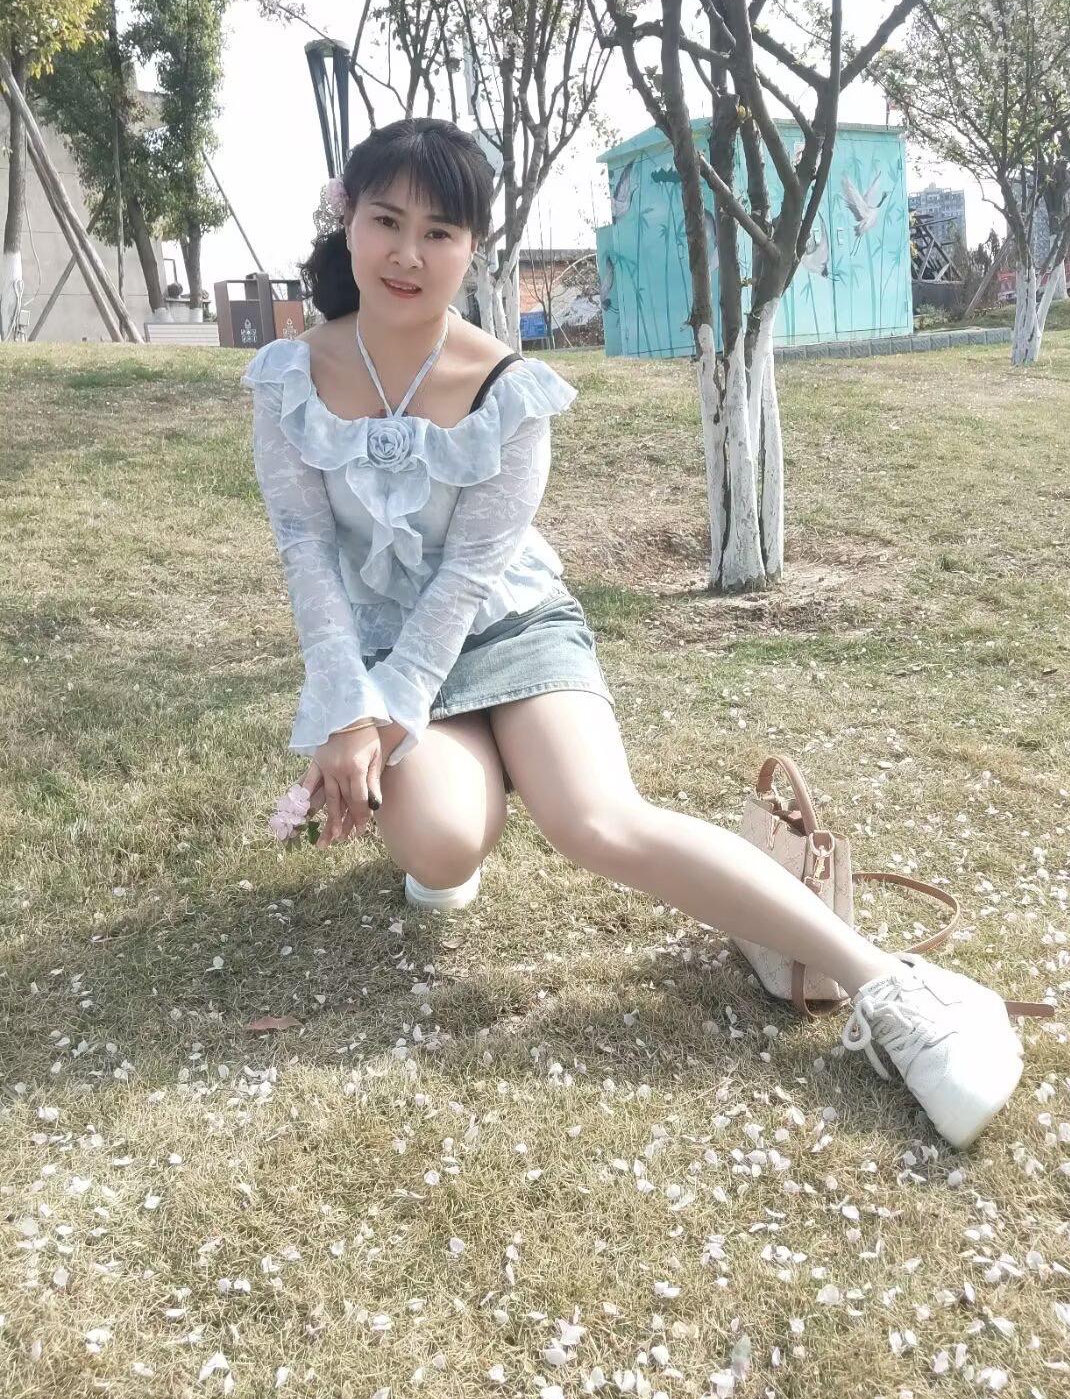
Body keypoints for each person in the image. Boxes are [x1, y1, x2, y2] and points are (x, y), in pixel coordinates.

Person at [241, 116, 1025, 1151]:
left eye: (440, 232)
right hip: (392, 649)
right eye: (386, 221)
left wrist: (382, 718)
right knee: (439, 840)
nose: (407, 254)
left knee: (596, 820)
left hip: (514, 629)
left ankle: (894, 987)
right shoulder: (290, 377)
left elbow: (470, 577)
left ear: (474, 246)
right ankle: (459, 815)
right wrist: (350, 710)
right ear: (347, 221)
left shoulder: (508, 388)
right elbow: (307, 553)